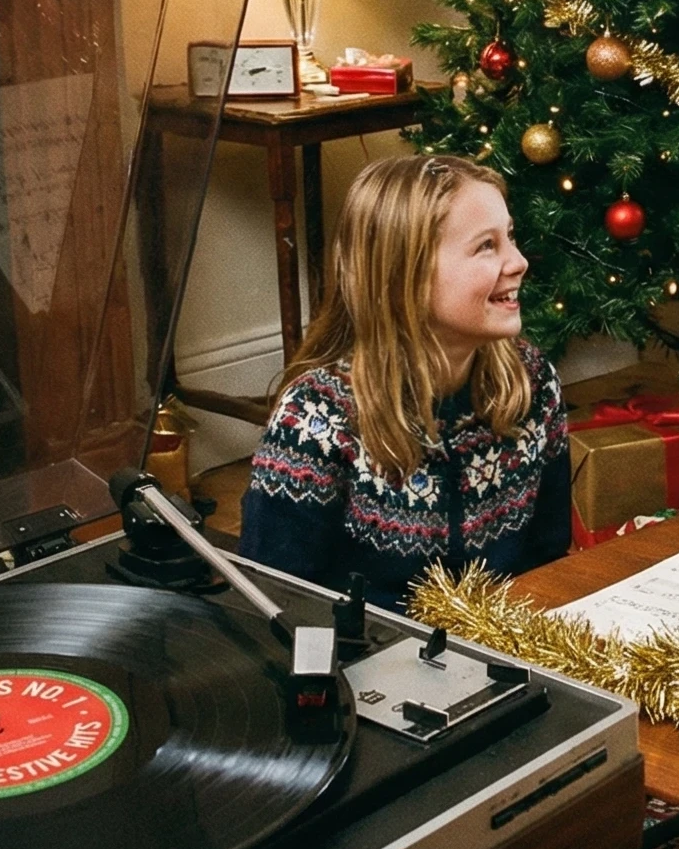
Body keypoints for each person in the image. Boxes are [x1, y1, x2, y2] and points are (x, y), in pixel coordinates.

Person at [239, 152, 570, 608]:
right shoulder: (314, 419)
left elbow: (551, 564)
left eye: (509, 237)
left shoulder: (533, 383)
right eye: (486, 246)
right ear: (404, 276)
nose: (519, 262)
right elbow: (272, 602)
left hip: (508, 658)